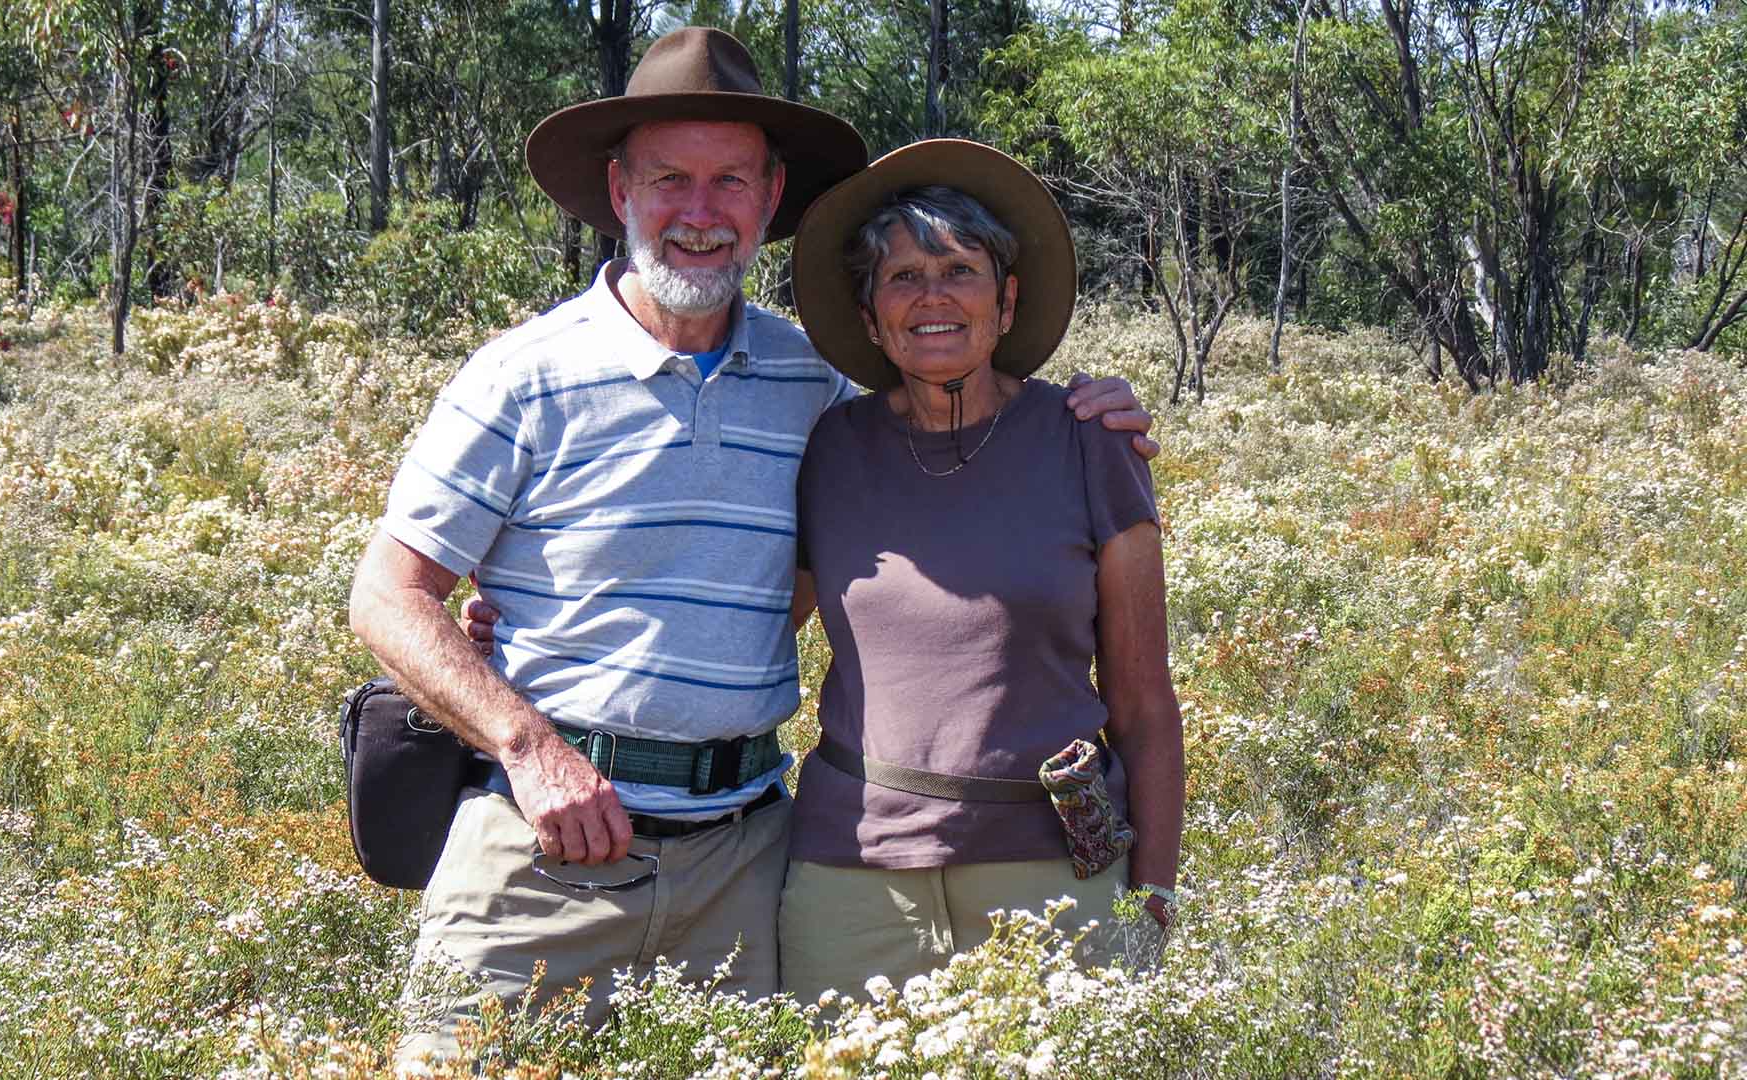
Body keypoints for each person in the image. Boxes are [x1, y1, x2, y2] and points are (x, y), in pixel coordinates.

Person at [347, 30, 1157, 1068]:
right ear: (619, 190)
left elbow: (945, 441)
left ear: (771, 198)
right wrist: (527, 744)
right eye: (670, 179)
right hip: (540, 852)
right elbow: (385, 595)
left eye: (730, 180)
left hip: (746, 859)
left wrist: (1093, 413)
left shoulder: (814, 383)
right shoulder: (522, 377)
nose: (700, 211)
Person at [775, 139, 1186, 1000]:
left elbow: (1145, 701)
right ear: (869, 310)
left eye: (959, 270)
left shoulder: (1089, 440)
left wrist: (1152, 894)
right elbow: (758, 627)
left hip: (1050, 881)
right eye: (902, 276)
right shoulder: (829, 451)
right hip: (852, 882)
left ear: (1005, 302)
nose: (932, 296)